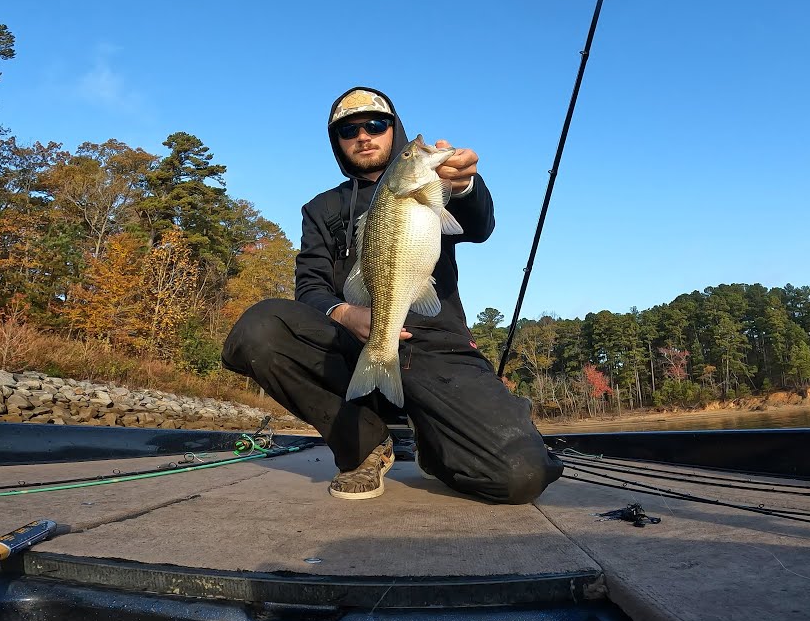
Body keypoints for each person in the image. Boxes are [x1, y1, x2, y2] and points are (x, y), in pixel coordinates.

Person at [222, 87, 563, 504]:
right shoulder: (321, 208)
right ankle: (365, 445)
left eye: (376, 124)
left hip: (437, 349)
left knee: (521, 476)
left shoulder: (432, 187)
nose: (363, 135)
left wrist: (465, 184)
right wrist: (346, 314)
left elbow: (478, 226)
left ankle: (437, 451)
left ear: (394, 130)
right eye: (349, 130)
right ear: (338, 143)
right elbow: (309, 287)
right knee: (258, 330)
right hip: (350, 344)